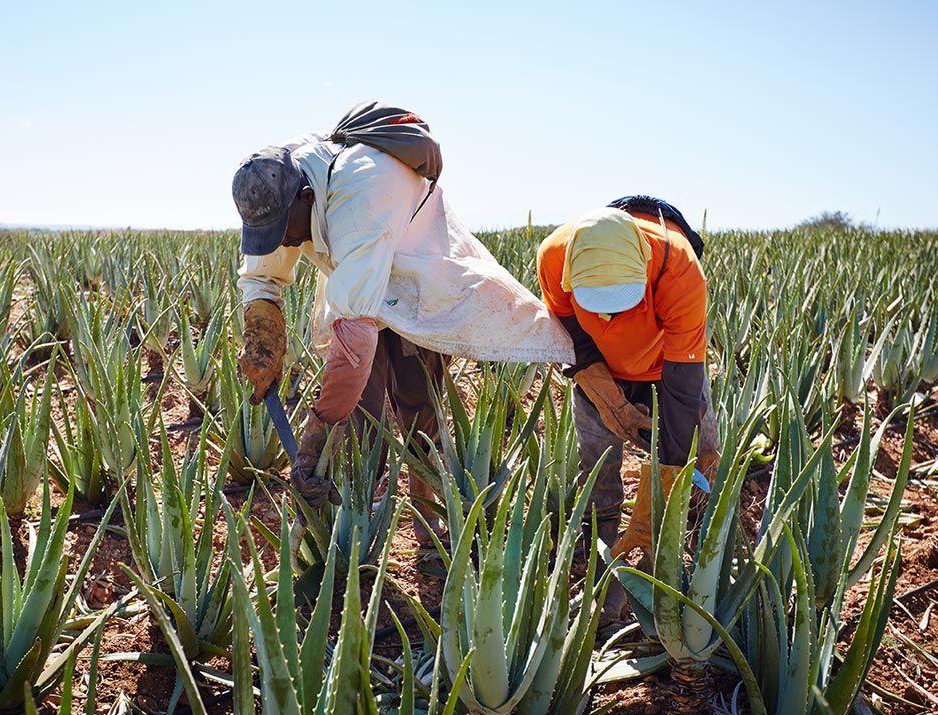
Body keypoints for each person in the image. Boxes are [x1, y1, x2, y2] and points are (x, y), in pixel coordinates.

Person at [231, 108, 573, 546]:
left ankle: (427, 522)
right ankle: (351, 525)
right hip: (358, 274)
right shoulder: (278, 182)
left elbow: (354, 337)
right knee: (359, 415)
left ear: (305, 198)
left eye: (284, 230)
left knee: (417, 403)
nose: (284, 241)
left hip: (416, 277)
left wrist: (316, 430)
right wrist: (263, 340)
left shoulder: (362, 196)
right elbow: (261, 277)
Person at [536, 197, 720, 573]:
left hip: (665, 366)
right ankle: (597, 537)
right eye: (599, 303)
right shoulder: (554, 257)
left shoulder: (680, 269)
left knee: (701, 450)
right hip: (602, 365)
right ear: (572, 272)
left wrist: (667, 479)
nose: (610, 316)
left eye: (622, 302)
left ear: (645, 267)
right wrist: (605, 395)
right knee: (596, 455)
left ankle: (694, 530)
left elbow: (684, 385)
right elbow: (570, 335)